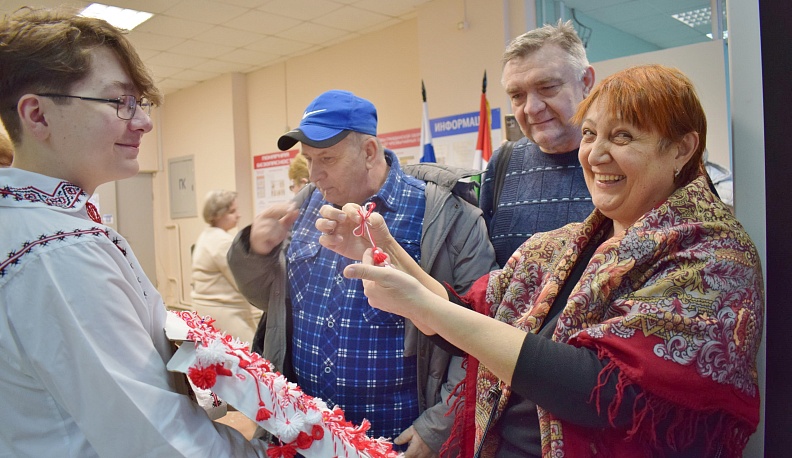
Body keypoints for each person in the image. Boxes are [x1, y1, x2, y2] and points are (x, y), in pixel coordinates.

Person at [321, 65, 764, 457]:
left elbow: (607, 390)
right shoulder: (556, 247)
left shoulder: (713, 257)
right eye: (589, 134)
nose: (596, 153)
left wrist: (427, 306)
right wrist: (391, 259)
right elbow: (473, 321)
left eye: (623, 136)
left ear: (683, 149)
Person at [0, 8, 267, 456]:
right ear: (38, 115)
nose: (142, 121)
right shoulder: (58, 254)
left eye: (140, 103)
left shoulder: (42, 225)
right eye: (119, 102)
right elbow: (156, 439)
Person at [227, 89, 497, 456]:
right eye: (308, 159)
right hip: (303, 434)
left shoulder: (446, 217)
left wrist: (436, 429)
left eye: (327, 158)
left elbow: (483, 337)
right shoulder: (305, 205)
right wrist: (257, 252)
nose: (315, 174)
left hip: (392, 440)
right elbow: (274, 306)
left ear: (369, 152)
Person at [479, 21, 595, 267]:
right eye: (517, 96)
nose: (531, 108)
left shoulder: (617, 160)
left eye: (547, 87)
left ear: (585, 82)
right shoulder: (502, 164)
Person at [192, 189, 261, 345]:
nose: (238, 215)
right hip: (225, 313)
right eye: (232, 211)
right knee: (252, 358)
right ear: (217, 215)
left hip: (208, 311)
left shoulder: (207, 235)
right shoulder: (222, 242)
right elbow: (243, 283)